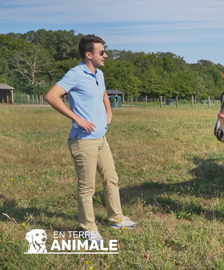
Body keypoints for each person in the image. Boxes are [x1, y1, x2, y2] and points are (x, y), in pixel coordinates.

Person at [45, 35, 136, 242]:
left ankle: (116, 218)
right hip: (83, 140)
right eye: (101, 52)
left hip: (101, 138)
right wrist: (78, 119)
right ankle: (88, 228)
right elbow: (51, 96)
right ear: (89, 54)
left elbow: (104, 94)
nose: (105, 55)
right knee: (87, 187)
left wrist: (109, 113)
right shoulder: (75, 74)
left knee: (111, 179)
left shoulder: (99, 74)